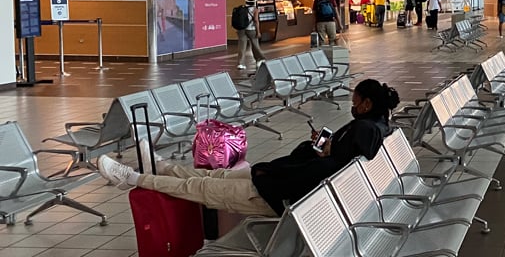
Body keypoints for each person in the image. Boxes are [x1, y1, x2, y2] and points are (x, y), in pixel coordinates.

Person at [97, 80, 401, 217]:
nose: (352, 106)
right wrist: (324, 151)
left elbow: (323, 168)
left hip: (271, 195)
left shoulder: (362, 132)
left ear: (367, 104)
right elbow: (333, 161)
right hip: (272, 181)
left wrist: (322, 154)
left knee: (197, 186)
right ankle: (161, 167)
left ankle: (130, 178)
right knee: (211, 178)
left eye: (354, 102)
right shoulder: (375, 131)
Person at [236, 0, 266, 70]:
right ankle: (260, 59)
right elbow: (256, 20)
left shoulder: (241, 8)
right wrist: (258, 31)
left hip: (241, 30)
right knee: (255, 45)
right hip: (251, 30)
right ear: (254, 1)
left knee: (242, 47)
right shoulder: (255, 9)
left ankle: (240, 63)